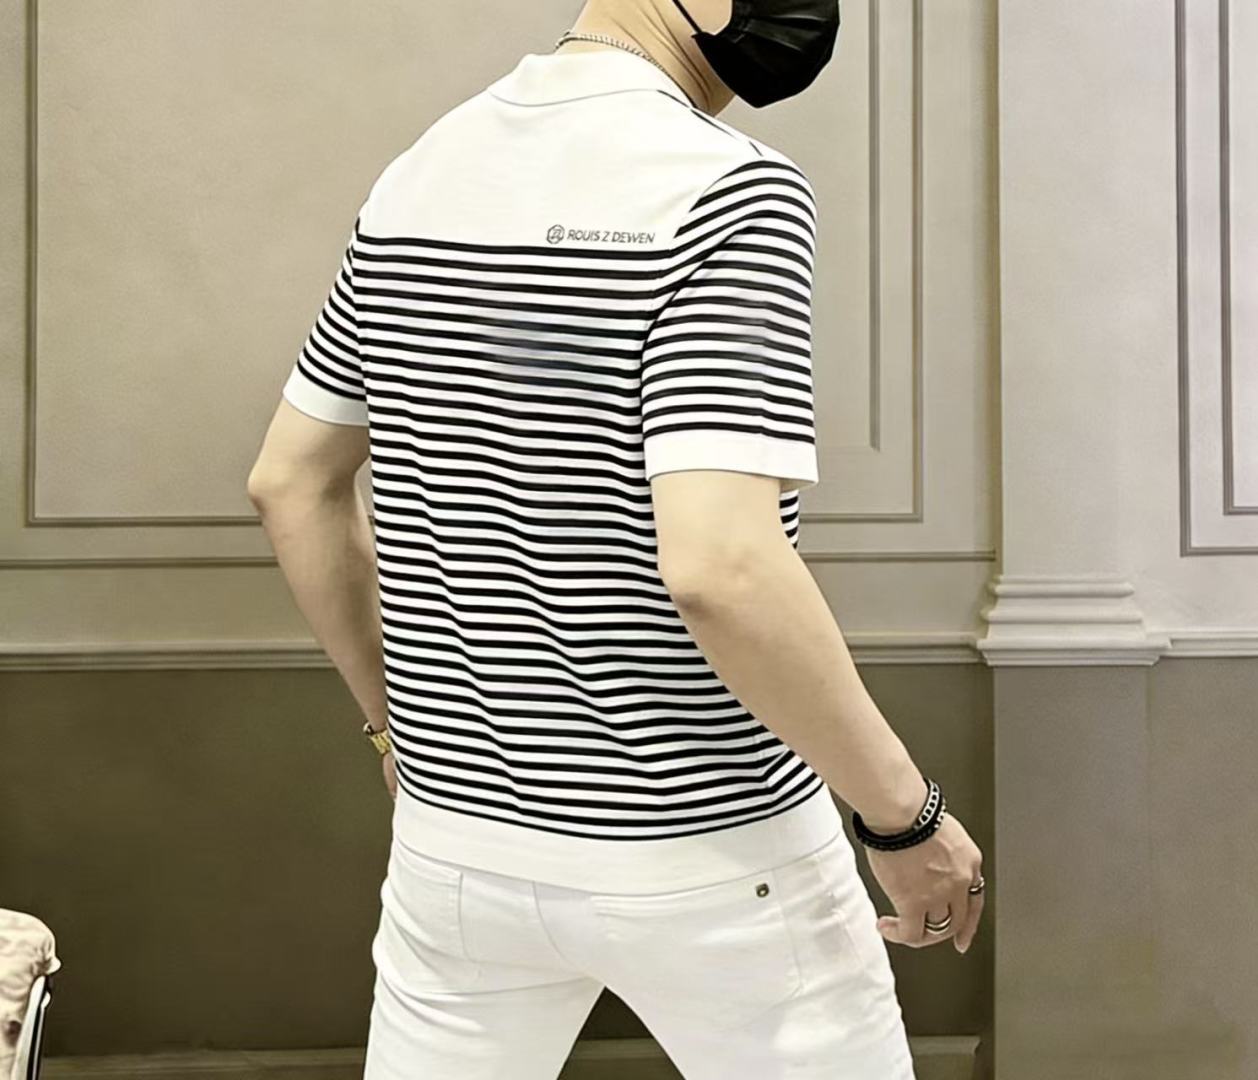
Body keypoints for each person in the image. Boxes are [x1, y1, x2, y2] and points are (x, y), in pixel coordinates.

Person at [247, 1, 985, 1076]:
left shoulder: (418, 176)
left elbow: (289, 483)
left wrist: (395, 734)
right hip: (716, 853)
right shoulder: (728, 188)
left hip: (458, 853)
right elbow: (722, 568)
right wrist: (904, 820)